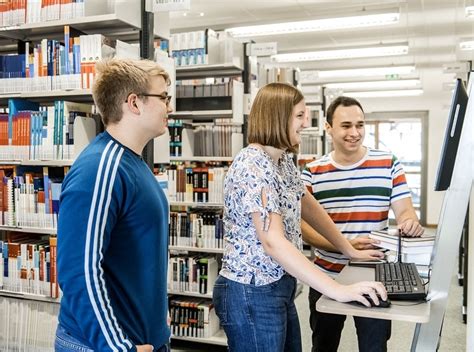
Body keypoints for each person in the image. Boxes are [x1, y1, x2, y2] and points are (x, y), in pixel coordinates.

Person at [212, 83, 387, 352]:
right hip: (251, 292)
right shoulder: (252, 165)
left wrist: (349, 249)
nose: (306, 123)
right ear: (278, 116)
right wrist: (336, 289)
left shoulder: (281, 161)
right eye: (300, 115)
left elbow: (308, 205)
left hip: (279, 285)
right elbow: (273, 242)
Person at [55, 58, 173, 352]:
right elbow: (78, 271)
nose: (170, 107)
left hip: (142, 338)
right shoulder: (99, 169)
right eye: (164, 97)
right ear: (134, 102)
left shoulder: (134, 163)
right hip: (104, 345)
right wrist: (118, 348)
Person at [301, 95, 424, 352]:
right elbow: (306, 232)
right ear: (328, 128)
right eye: (346, 126)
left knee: (374, 347)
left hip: (374, 277)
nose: (354, 133)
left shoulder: (388, 163)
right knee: (323, 346)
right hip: (327, 276)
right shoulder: (312, 171)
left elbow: (405, 213)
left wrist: (409, 223)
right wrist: (344, 246)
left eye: (360, 125)